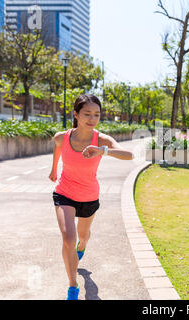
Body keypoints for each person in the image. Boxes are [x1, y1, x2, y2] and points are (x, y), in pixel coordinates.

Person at [48, 94, 134, 300]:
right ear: (76, 114)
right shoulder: (62, 136)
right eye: (87, 114)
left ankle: (82, 246)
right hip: (64, 193)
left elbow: (129, 155)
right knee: (68, 238)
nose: (92, 119)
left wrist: (102, 151)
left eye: (96, 114)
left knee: (82, 236)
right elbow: (57, 146)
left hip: (88, 197)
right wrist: (54, 169)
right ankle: (72, 286)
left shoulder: (101, 139)